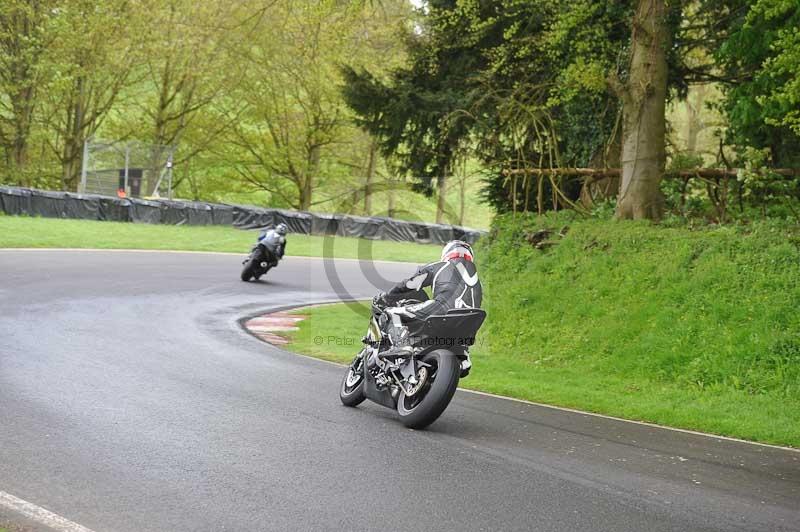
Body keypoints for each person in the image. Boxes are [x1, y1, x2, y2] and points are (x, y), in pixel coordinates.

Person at [376, 239, 482, 324]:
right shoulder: (478, 282)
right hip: (468, 323)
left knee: (392, 313)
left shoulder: (440, 266)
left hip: (441, 310)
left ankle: (401, 345)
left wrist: (388, 296)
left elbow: (409, 284)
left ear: (447, 253)